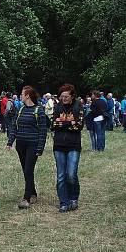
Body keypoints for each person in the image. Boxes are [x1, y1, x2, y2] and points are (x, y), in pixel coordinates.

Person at [7, 86, 48, 209]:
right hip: (21, 145)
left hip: (33, 145)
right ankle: (33, 193)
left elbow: (43, 131)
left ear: (27, 95)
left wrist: (40, 148)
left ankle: (26, 198)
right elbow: (15, 126)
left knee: (29, 170)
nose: (20, 96)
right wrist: (10, 142)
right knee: (26, 170)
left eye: (22, 94)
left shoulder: (39, 110)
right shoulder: (21, 110)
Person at [51, 84, 84, 212]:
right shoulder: (57, 106)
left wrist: (62, 123)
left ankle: (73, 198)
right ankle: (63, 201)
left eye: (66, 96)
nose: (63, 98)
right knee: (61, 175)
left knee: (71, 174)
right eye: (62, 96)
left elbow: (79, 126)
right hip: (59, 145)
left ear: (72, 96)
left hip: (74, 145)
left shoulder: (78, 106)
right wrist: (70, 123)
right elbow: (53, 124)